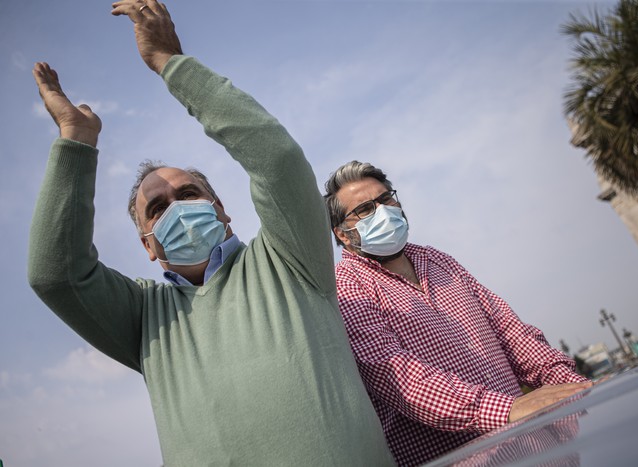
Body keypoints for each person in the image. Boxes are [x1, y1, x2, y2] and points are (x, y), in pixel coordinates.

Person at [27, 2, 393, 466]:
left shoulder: (288, 259)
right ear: (147, 245)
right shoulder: (143, 318)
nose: (177, 207)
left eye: (190, 193)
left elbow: (276, 158)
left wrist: (170, 62)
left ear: (221, 210)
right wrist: (76, 142)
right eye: (158, 208)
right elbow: (54, 274)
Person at [323, 161, 593, 466]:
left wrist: (570, 384)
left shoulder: (437, 259)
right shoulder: (347, 289)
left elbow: (510, 331)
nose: (383, 211)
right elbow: (400, 379)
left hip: (543, 449)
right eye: (365, 209)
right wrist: (503, 410)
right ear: (343, 234)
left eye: (386, 199)